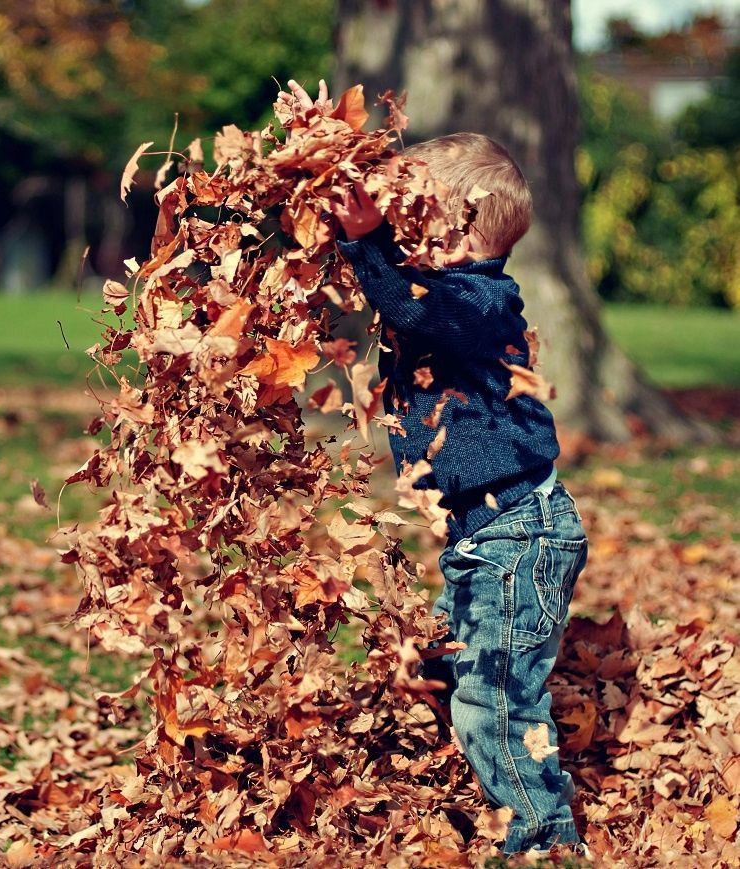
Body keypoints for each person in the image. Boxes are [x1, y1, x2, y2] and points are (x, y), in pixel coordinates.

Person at [281, 81, 589, 856]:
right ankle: (513, 786)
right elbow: (400, 299)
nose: (395, 228)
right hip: (484, 536)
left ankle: (543, 837)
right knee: (455, 671)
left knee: (493, 695)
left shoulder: (480, 300)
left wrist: (366, 243)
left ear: (451, 231)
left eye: (409, 214)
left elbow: (412, 306)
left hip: (518, 533)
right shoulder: (443, 293)